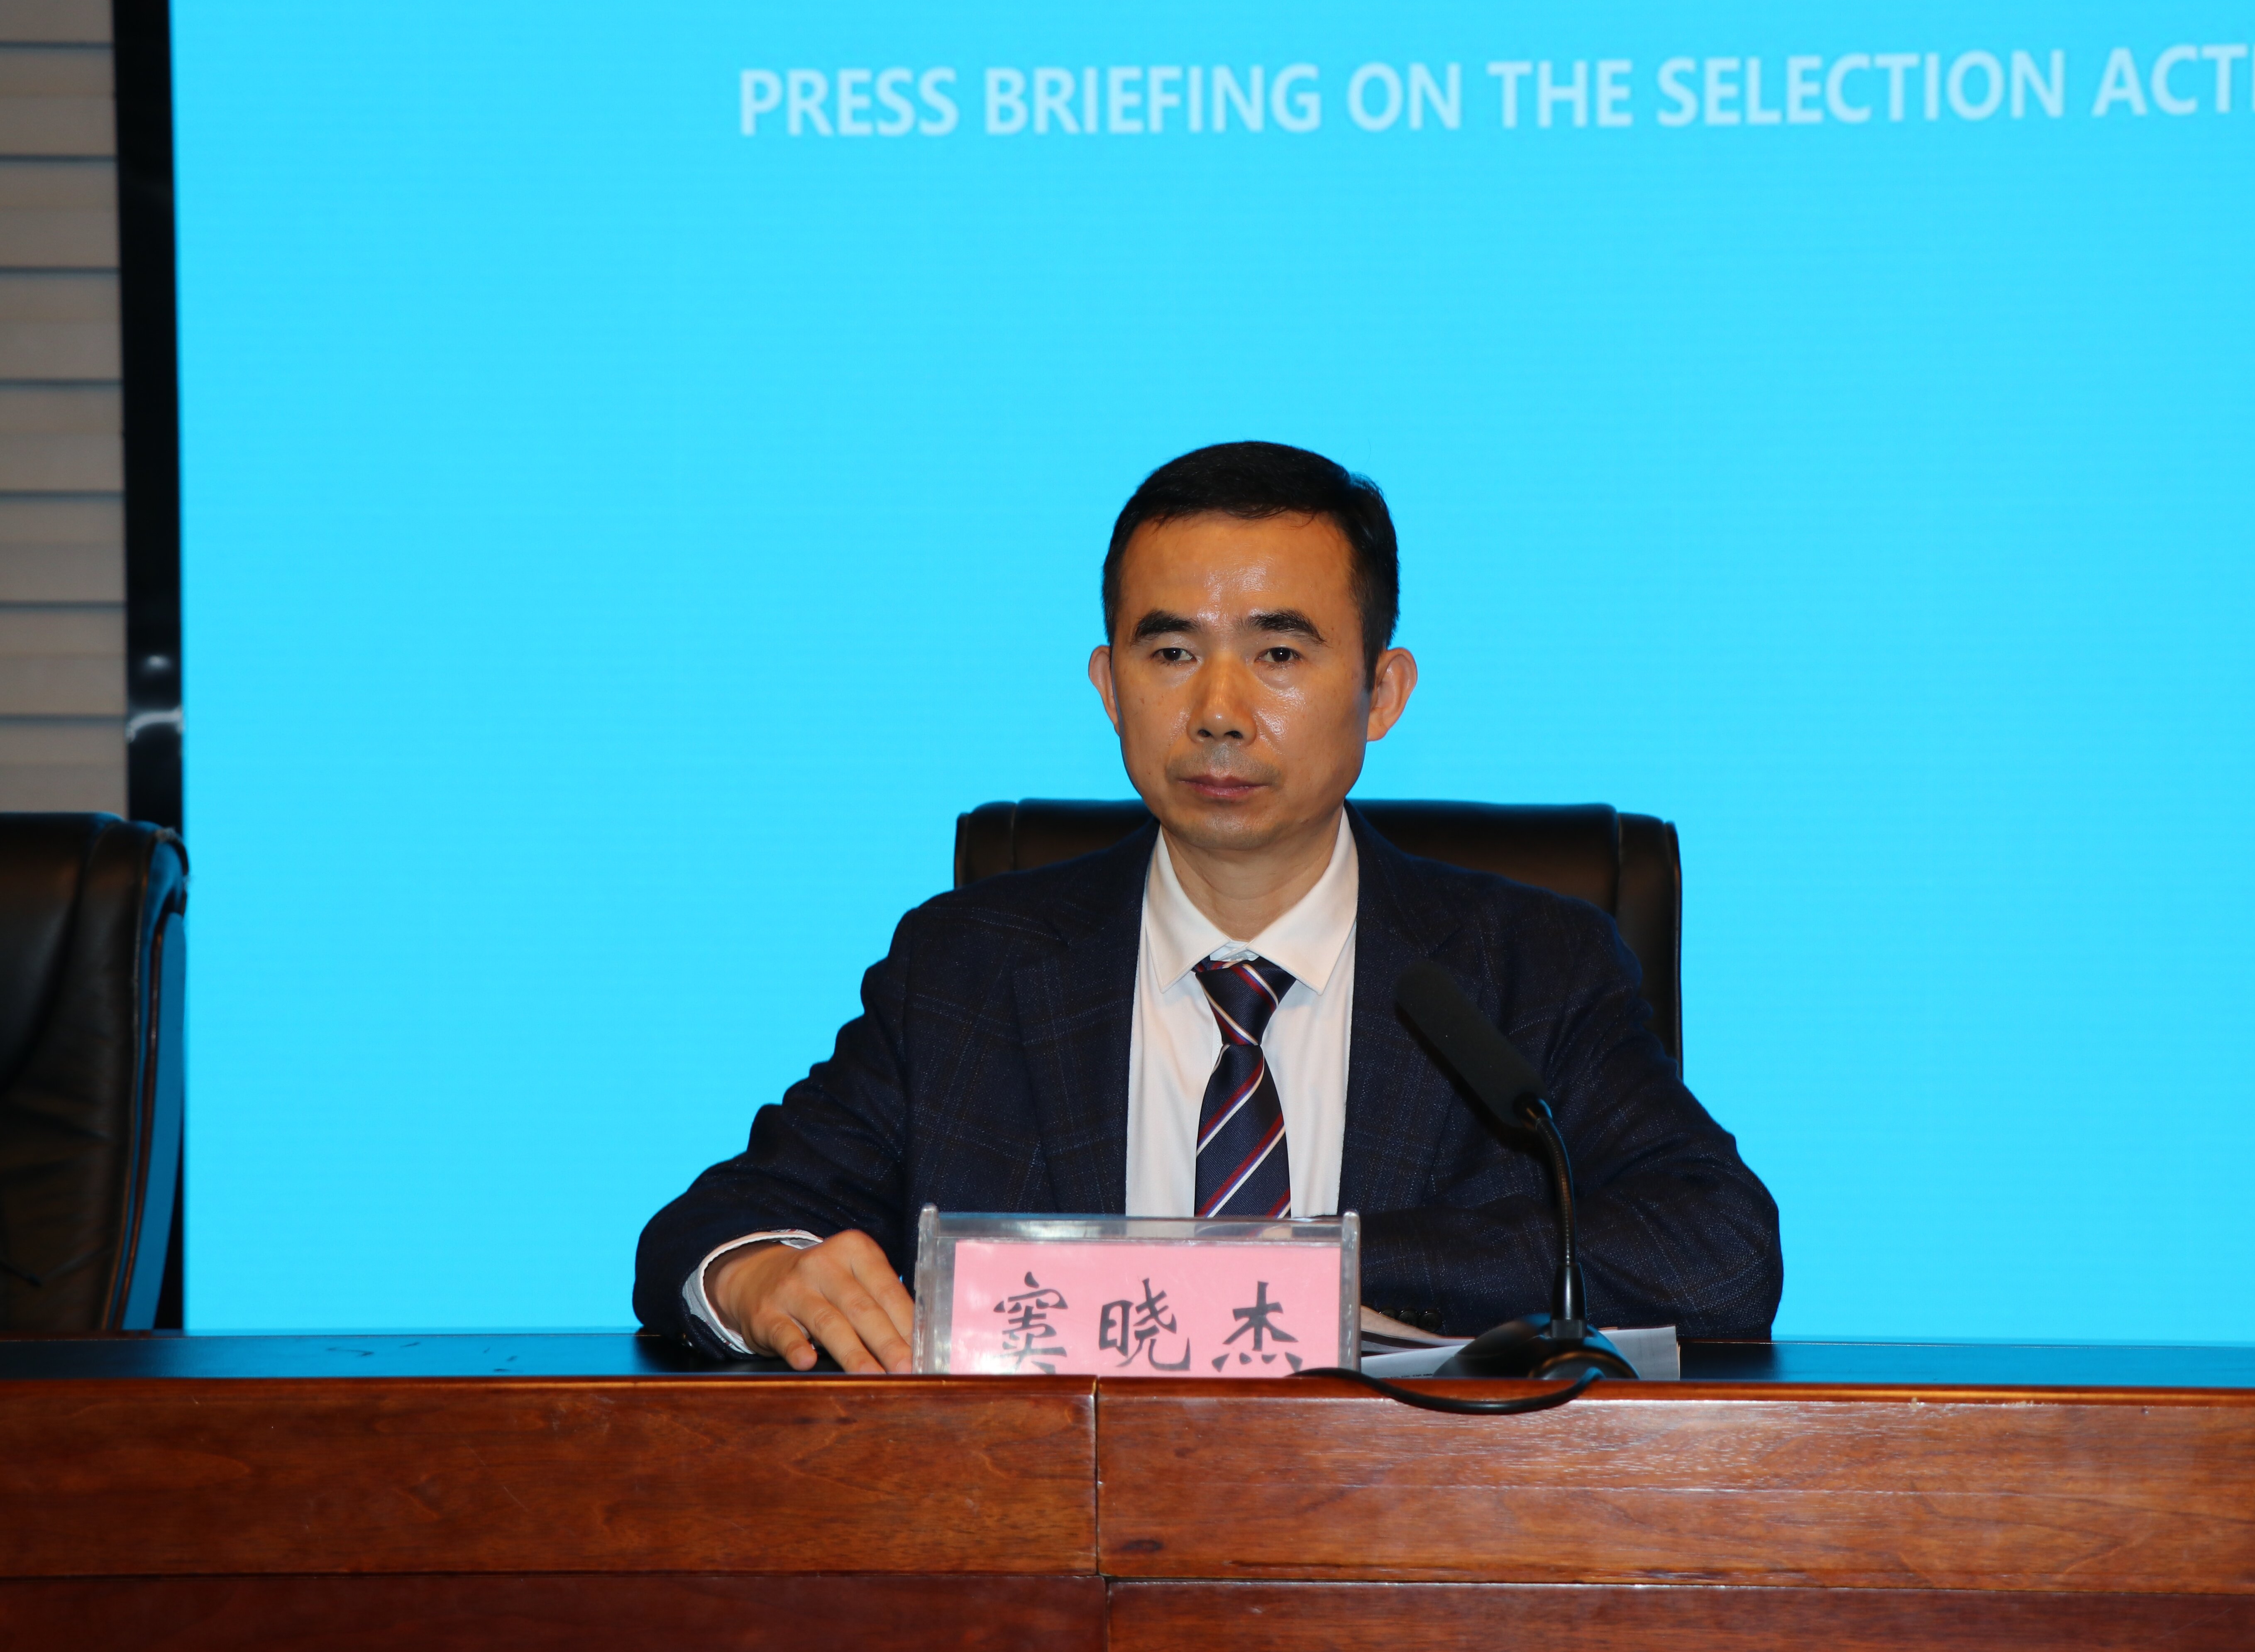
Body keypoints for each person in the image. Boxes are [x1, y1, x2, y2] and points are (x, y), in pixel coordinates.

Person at [635, 441, 1781, 1370]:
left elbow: (1719, 1250)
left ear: (1382, 692)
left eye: (1279, 653)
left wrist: (1301, 1273)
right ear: (1109, 686)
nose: (1220, 711)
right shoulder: (968, 969)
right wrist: (760, 1278)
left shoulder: (1530, 967)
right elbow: (713, 1230)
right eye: (1173, 652)